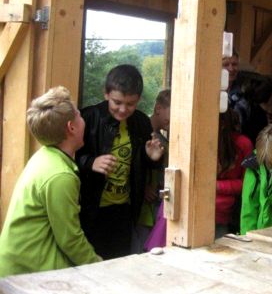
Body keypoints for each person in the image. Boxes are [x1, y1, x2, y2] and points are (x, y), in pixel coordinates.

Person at [0, 87, 101, 276]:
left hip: (21, 266)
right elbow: (70, 239)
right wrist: (98, 266)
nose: (83, 119)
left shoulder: (45, 156)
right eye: (79, 115)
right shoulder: (61, 176)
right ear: (71, 127)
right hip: (24, 274)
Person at [76, 64, 165, 259]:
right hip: (91, 209)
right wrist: (90, 162)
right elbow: (68, 156)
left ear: (138, 99)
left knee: (119, 262)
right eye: (117, 102)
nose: (123, 109)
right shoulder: (89, 117)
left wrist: (151, 158)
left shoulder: (141, 122)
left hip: (125, 209)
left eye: (130, 104)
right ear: (106, 94)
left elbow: (140, 164)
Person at [132, 89, 171, 253]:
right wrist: (144, 187)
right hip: (142, 203)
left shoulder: (163, 138)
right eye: (172, 112)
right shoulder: (141, 133)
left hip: (156, 200)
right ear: (158, 108)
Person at [216, 109, 253, 237]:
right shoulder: (197, 139)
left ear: (222, 124)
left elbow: (249, 184)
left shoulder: (243, 144)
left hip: (227, 213)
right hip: (198, 209)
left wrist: (218, 186)